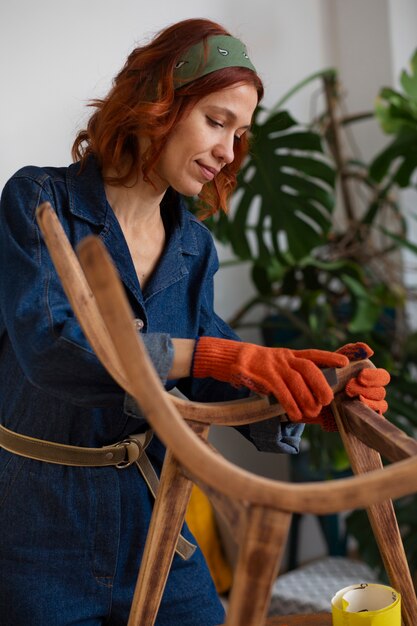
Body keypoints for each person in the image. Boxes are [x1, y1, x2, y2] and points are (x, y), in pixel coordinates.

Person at [0, 17, 389, 626]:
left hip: (156, 523)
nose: (228, 152)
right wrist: (218, 357)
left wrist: (307, 390)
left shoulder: (194, 247)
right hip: (40, 533)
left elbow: (210, 367)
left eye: (240, 135)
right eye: (216, 121)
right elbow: (53, 349)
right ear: (157, 102)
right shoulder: (38, 202)